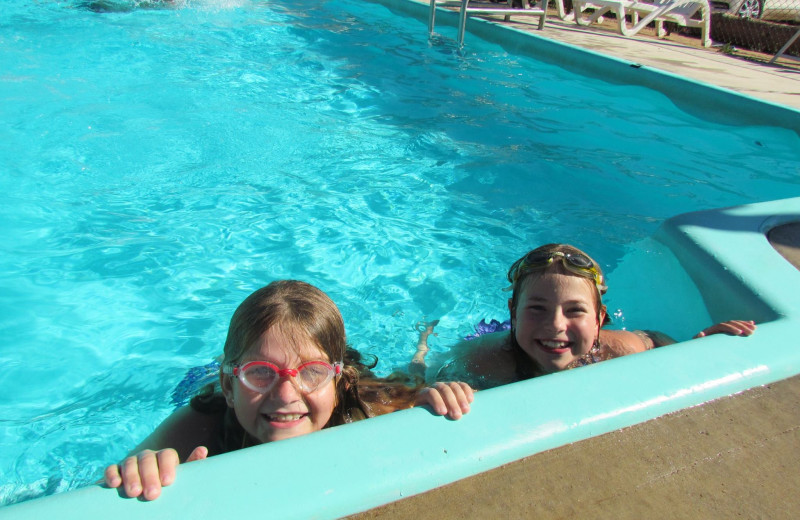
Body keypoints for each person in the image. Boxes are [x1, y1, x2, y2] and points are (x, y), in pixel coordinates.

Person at [104, 280, 473, 501]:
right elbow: (106, 485)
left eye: (310, 372)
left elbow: (426, 398)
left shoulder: (369, 406)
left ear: (338, 383)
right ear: (229, 388)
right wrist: (143, 469)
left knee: (416, 371)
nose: (285, 394)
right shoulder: (204, 420)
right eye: (261, 373)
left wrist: (437, 399)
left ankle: (423, 339)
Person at [411, 244, 756, 389]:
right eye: (537, 309)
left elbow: (656, 339)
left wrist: (692, 349)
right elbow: (416, 384)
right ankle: (423, 338)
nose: (556, 325)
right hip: (507, 342)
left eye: (575, 310)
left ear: (600, 319)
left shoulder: (621, 348)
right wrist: (435, 386)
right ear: (513, 312)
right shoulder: (481, 360)